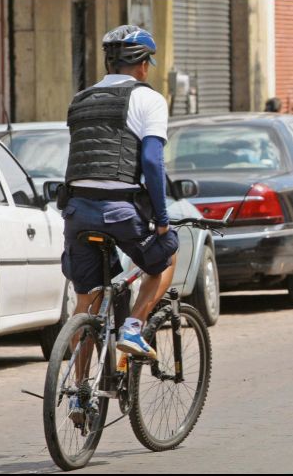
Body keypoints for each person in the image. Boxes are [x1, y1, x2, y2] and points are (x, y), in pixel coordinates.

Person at [62, 25, 178, 421]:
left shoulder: (82, 98)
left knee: (86, 301)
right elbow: (151, 162)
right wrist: (161, 220)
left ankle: (79, 394)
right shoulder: (147, 99)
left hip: (77, 211)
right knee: (165, 258)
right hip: (119, 210)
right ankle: (132, 328)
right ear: (143, 65)